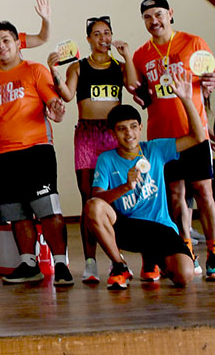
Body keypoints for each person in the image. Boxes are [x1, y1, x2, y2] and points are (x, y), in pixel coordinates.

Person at [0, 21, 73, 285]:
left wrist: (57, 110)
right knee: (17, 213)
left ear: (18, 43)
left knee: (48, 209)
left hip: (37, 150)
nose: (1, 47)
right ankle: (29, 263)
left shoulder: (35, 70)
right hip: (4, 154)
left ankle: (60, 264)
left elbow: (54, 104)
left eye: (6, 41)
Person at [85, 71, 203, 289]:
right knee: (93, 206)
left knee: (185, 276)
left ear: (140, 128)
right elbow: (97, 198)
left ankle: (155, 259)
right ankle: (119, 266)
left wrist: (187, 99)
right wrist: (126, 186)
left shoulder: (155, 149)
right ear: (113, 133)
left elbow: (197, 137)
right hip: (127, 226)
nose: (128, 133)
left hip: (160, 226)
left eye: (133, 127)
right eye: (121, 129)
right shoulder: (107, 159)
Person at [47, 16, 137, 283]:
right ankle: (90, 261)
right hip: (87, 134)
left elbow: (133, 85)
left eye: (106, 32)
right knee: (88, 196)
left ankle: (116, 258)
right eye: (96, 34)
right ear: (88, 39)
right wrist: (53, 71)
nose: (103, 38)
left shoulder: (120, 66)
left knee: (116, 195)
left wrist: (127, 55)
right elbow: (66, 95)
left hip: (113, 135)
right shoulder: (79, 66)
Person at [131, 0, 215, 280]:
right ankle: (186, 250)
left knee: (204, 191)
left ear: (170, 13)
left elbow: (209, 80)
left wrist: (211, 82)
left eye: (158, 14)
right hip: (163, 139)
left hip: (194, 132)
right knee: (175, 196)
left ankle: (214, 252)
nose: (153, 21)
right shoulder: (141, 54)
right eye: (147, 17)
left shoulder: (194, 43)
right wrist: (139, 96)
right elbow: (142, 93)